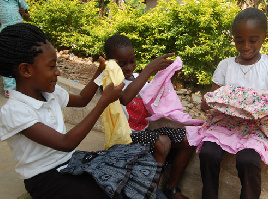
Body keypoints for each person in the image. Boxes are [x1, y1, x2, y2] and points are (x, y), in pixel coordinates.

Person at [0, 23, 168, 199]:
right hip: (46, 178)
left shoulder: (50, 92)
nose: (58, 72)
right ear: (26, 70)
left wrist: (101, 71)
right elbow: (66, 143)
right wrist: (103, 103)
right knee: (117, 191)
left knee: (135, 175)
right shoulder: (14, 111)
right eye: (52, 67)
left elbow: (82, 100)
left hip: (70, 163)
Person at [196, 8, 268, 199]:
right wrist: (207, 102)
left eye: (253, 40)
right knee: (208, 153)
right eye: (239, 40)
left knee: (248, 160)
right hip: (226, 122)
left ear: (264, 37)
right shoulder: (225, 66)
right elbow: (211, 97)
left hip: (258, 125)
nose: (245, 46)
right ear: (233, 38)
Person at [104, 34, 196, 199]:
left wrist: (167, 77)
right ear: (110, 63)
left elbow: (155, 96)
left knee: (189, 139)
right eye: (122, 64)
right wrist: (149, 69)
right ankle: (150, 191)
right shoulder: (107, 82)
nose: (129, 67)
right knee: (163, 142)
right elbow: (124, 98)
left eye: (132, 61)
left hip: (144, 132)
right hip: (124, 138)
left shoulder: (139, 80)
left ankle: (171, 187)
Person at [0, 0, 30, 98]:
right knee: (6, 58)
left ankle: (21, 85)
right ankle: (9, 88)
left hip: (19, 29)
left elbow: (27, 16)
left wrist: (23, 13)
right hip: (5, 30)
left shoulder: (18, 0)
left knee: (20, 56)